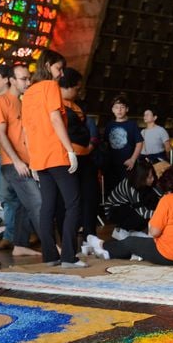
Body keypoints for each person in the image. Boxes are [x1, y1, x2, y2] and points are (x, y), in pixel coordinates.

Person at [20, 50, 84, 267]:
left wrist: (32, 160)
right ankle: (68, 256)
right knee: (74, 203)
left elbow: (26, 131)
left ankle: (50, 256)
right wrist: (70, 150)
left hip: (39, 157)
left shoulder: (28, 93)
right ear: (48, 66)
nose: (61, 73)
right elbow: (56, 119)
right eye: (59, 68)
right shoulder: (50, 87)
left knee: (47, 206)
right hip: (56, 153)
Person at [84, 167, 173, 265]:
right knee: (140, 245)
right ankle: (108, 254)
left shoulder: (168, 199)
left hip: (172, 254)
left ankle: (101, 245)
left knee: (131, 242)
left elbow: (154, 232)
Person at [0, 64, 40, 257]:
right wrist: (17, 161)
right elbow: (1, 135)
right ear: (12, 80)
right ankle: (52, 248)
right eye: (24, 79)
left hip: (25, 162)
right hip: (12, 163)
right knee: (35, 202)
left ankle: (20, 244)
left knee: (22, 203)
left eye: (29, 78)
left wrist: (32, 162)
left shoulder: (22, 102)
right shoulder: (1, 102)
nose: (28, 82)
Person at [59, 68, 99, 241]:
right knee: (70, 201)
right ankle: (69, 240)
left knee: (90, 196)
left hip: (84, 157)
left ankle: (90, 235)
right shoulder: (56, 104)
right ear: (67, 86)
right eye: (76, 88)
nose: (78, 91)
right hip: (67, 158)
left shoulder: (76, 105)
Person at [100, 157, 164, 234]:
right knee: (141, 216)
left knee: (154, 201)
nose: (153, 179)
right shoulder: (130, 186)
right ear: (142, 178)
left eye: (153, 175)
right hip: (115, 209)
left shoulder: (145, 181)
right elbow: (143, 213)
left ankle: (137, 229)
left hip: (131, 205)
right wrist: (162, 214)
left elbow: (161, 195)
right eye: (150, 177)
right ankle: (122, 230)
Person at [102, 94, 143, 197]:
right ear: (112, 110)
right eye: (116, 107)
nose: (119, 110)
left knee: (128, 192)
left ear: (127, 109)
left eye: (122, 107)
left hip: (128, 165)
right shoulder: (109, 125)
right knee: (111, 192)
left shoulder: (132, 124)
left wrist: (133, 160)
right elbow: (105, 144)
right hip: (111, 166)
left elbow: (139, 142)